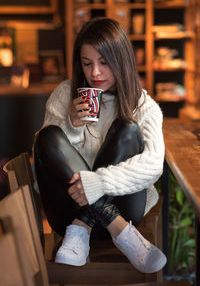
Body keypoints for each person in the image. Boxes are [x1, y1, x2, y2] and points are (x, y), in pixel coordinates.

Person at [33, 17, 167, 273]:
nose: (95, 73)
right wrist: (71, 126)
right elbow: (43, 168)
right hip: (67, 215)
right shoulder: (64, 95)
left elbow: (152, 166)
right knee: (48, 136)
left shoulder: (143, 106)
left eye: (105, 62)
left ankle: (83, 224)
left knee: (127, 129)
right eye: (87, 63)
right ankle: (117, 230)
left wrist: (98, 184)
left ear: (122, 61)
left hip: (124, 210)